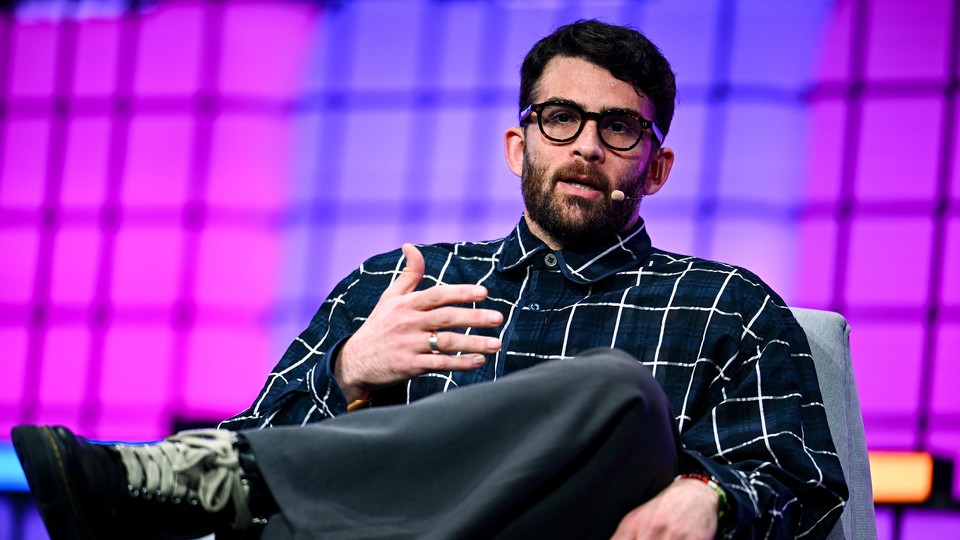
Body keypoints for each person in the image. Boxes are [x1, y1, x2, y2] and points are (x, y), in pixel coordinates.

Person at [12, 20, 847, 540]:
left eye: (619, 128)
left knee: (621, 395)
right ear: (520, 147)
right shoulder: (398, 282)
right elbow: (264, 445)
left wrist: (711, 498)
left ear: (656, 167)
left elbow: (802, 486)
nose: (587, 145)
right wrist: (344, 377)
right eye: (561, 118)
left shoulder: (729, 305)